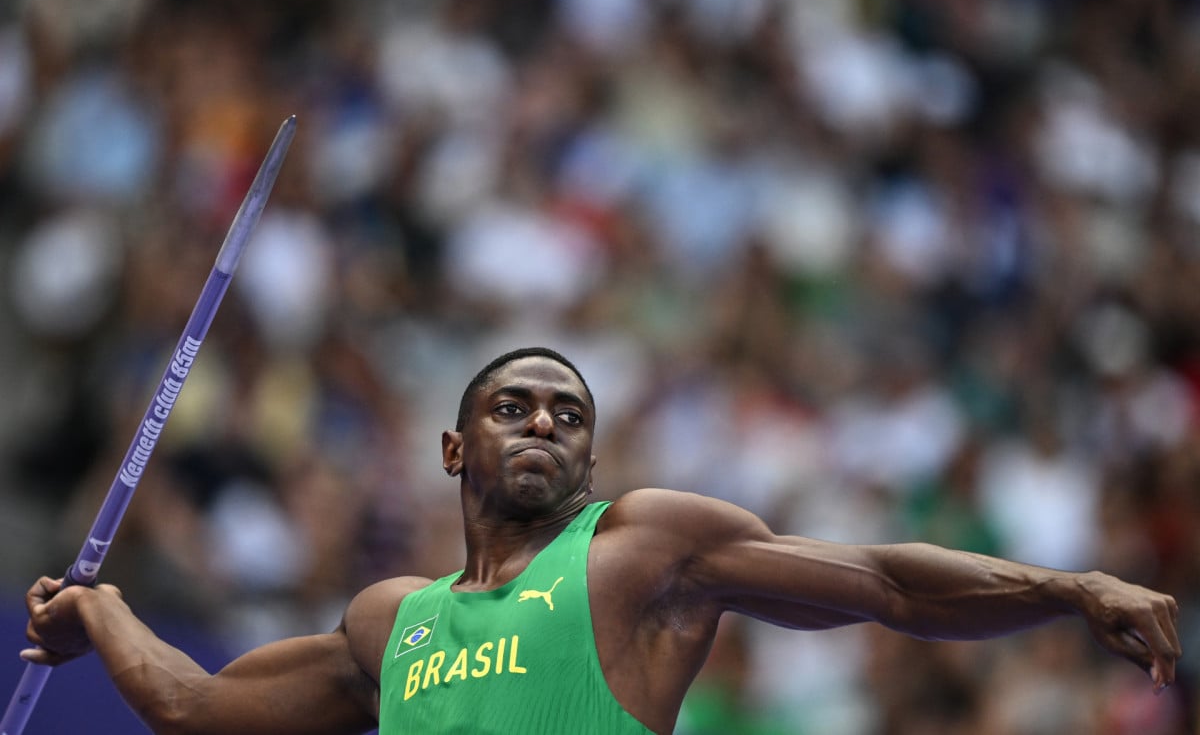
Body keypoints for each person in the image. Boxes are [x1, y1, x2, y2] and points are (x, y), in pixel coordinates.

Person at [22, 347, 1182, 734]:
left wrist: (1069, 584)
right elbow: (194, 711)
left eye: (569, 415)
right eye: (513, 406)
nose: (542, 422)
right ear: (452, 447)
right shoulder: (391, 622)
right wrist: (101, 612)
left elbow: (881, 583)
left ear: (592, 462)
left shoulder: (640, 549)